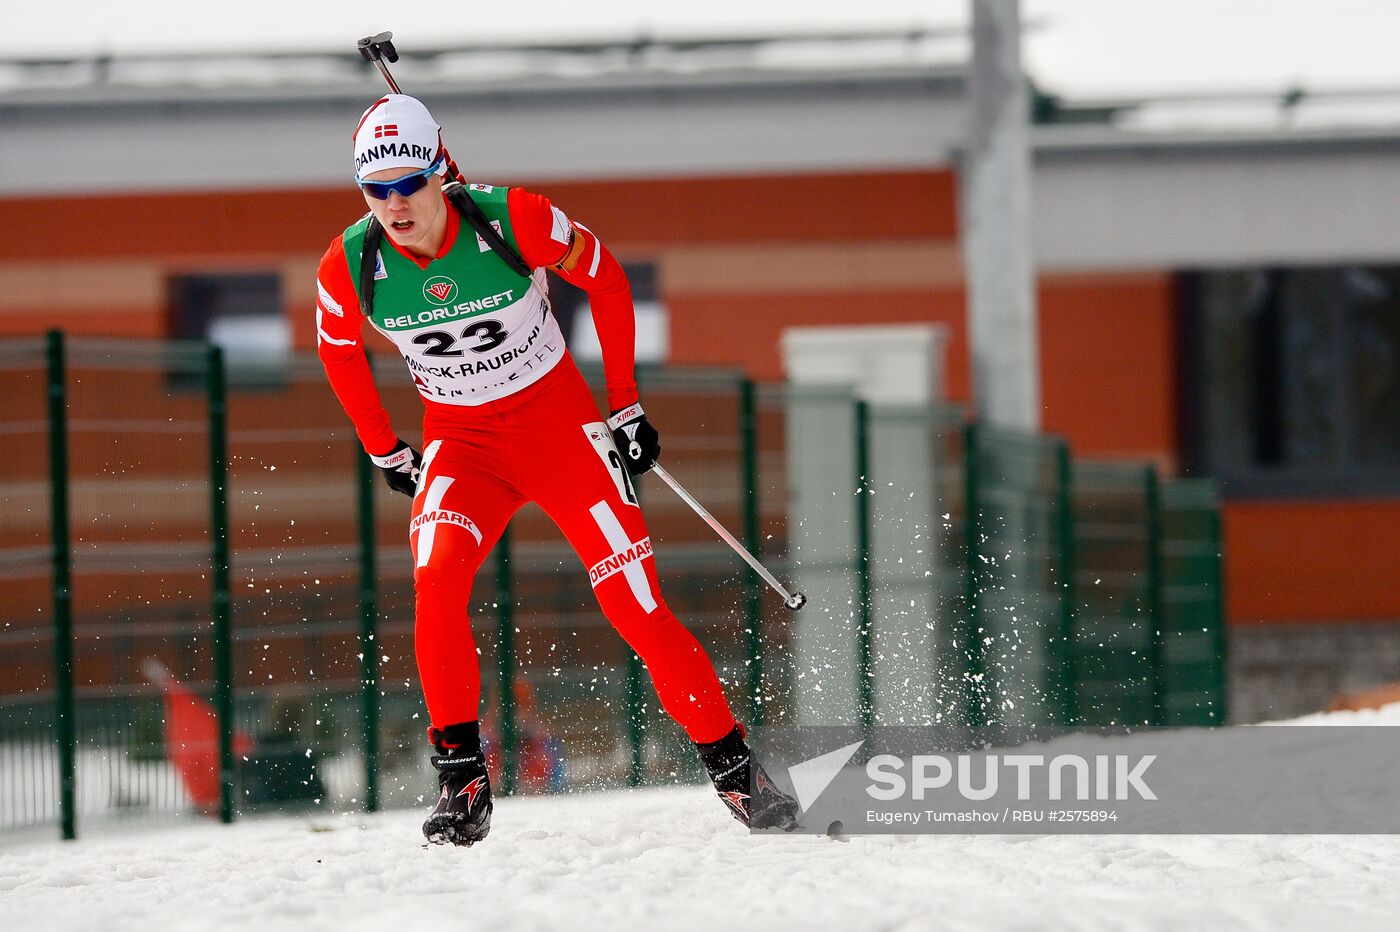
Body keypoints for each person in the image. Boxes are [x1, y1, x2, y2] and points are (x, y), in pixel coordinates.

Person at [315, 94, 798, 845]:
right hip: (463, 441)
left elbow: (606, 281)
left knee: (634, 606)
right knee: (435, 581)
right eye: (375, 191)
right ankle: (462, 782)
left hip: (560, 431)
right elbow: (337, 349)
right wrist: (382, 444)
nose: (395, 204)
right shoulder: (351, 262)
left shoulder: (515, 219)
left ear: (440, 169)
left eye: (410, 183)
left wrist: (626, 406)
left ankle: (736, 771)